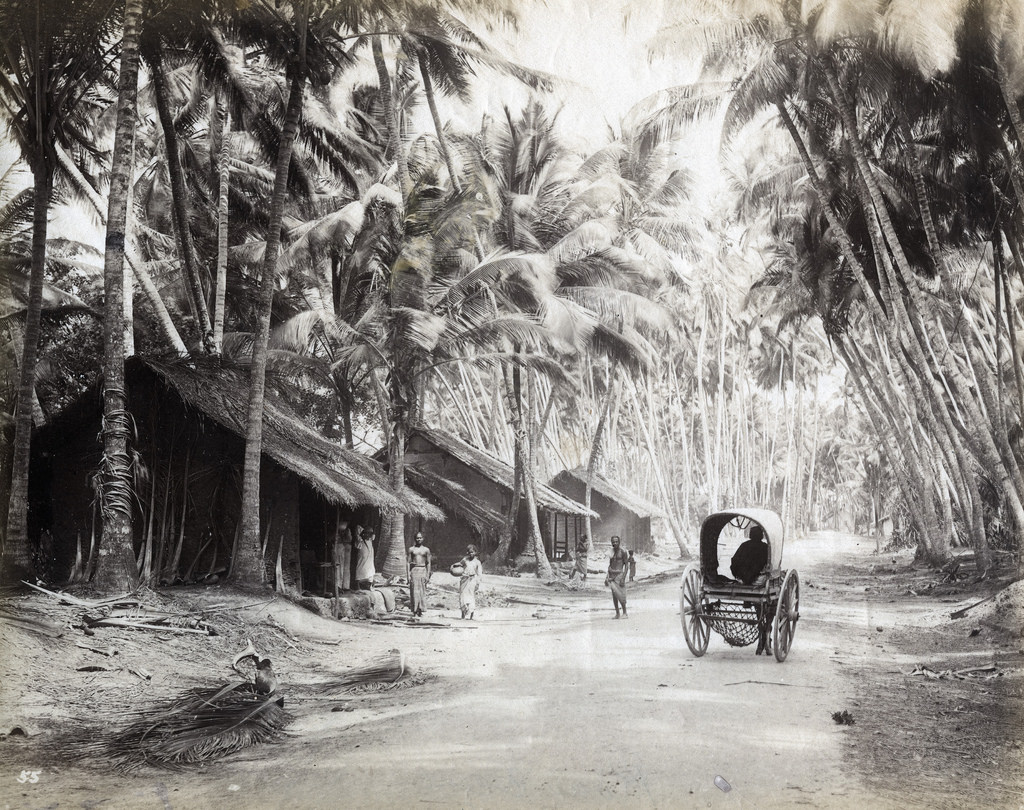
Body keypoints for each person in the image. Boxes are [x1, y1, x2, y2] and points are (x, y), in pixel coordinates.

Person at [407, 531, 432, 617]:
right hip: (414, 570)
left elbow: (428, 563)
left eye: (420, 538)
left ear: (423, 538)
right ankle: (414, 610)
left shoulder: (426, 550)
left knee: (422, 591)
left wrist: (427, 575)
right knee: (414, 591)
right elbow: (408, 562)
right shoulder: (411, 549)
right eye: (417, 538)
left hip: (423, 570)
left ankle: (420, 610)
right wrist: (408, 575)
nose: (419, 539)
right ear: (415, 539)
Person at [605, 535, 629, 618]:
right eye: (613, 542)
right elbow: (610, 564)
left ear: (619, 542)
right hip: (612, 575)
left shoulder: (623, 551)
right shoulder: (611, 552)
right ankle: (617, 613)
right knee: (614, 595)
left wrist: (623, 578)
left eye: (616, 541)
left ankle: (625, 613)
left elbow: (626, 566)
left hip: (619, 575)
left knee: (621, 594)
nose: (615, 543)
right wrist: (607, 576)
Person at [458, 545, 483, 620]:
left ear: (475, 552)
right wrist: (455, 565)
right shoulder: (465, 559)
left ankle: (471, 615)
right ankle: (463, 614)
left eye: (472, 552)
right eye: (469, 552)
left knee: (471, 596)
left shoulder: (477, 562)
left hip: (472, 580)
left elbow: (479, 574)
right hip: (464, 579)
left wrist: (478, 583)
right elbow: (460, 565)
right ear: (467, 552)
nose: (471, 554)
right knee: (462, 596)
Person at [332, 516, 353, 595]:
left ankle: (342, 586)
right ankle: (337, 586)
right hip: (338, 549)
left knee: (343, 568)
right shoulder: (336, 532)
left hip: (342, 548)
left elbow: (348, 539)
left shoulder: (346, 531)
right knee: (338, 568)